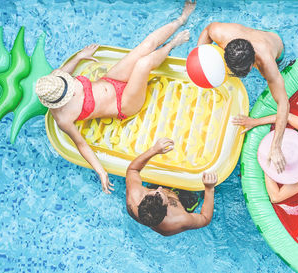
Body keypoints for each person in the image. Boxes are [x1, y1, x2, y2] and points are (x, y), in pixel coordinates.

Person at [34, 1, 196, 194]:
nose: (69, 82)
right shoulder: (63, 118)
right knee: (143, 64)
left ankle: (181, 19)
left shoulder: (56, 80)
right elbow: (81, 145)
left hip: (111, 80)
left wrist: (79, 57)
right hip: (124, 104)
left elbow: (63, 71)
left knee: (146, 45)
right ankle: (173, 44)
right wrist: (101, 172)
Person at [197, 22, 289, 175]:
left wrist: (276, 146)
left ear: (253, 63)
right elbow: (207, 29)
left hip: (274, 45)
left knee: (282, 75)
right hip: (253, 38)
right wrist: (200, 57)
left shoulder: (267, 64)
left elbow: (283, 103)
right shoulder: (221, 33)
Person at [125, 138, 217, 236]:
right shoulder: (177, 221)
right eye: (161, 193)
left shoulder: (134, 196)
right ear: (166, 210)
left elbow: (133, 170)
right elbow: (205, 218)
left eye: (153, 191)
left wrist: (154, 150)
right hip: (183, 199)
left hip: (153, 207)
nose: (159, 188)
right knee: (207, 184)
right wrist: (209, 188)